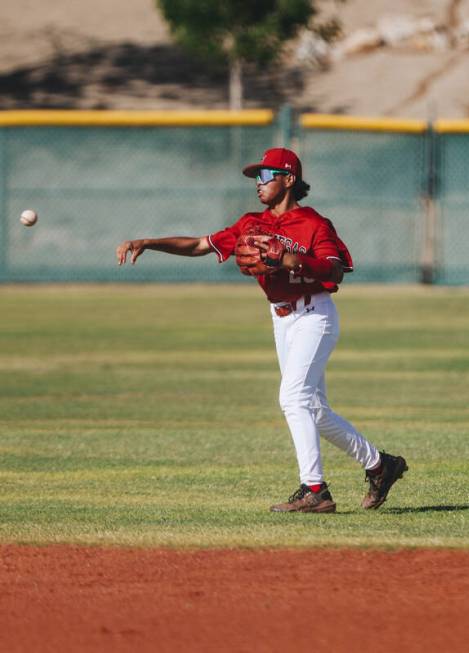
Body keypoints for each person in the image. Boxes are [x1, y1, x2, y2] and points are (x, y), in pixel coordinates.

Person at [116, 147, 408, 512]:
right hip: (281, 320)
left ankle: (315, 490)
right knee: (313, 410)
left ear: (288, 180)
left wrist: (289, 258)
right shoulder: (251, 223)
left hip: (314, 315)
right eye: (256, 177)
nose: (258, 183)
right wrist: (148, 242)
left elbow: (334, 270)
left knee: (291, 399)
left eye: (266, 175)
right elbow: (198, 245)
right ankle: (381, 466)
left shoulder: (314, 224)